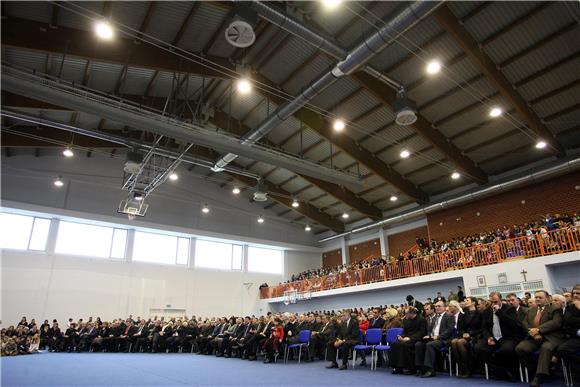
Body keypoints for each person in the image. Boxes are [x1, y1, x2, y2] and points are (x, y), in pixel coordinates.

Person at [516, 290, 564, 387]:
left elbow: (556, 323)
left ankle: (539, 376)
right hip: (534, 337)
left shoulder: (555, 308)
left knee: (545, 348)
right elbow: (525, 323)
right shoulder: (531, 310)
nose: (537, 299)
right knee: (520, 348)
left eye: (540, 297)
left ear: (547, 298)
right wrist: (533, 333)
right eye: (536, 297)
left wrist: (538, 330)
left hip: (550, 337)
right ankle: (535, 370)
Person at [474, 292, 522, 381]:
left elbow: (513, 324)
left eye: (495, 302)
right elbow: (484, 327)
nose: (493, 304)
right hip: (493, 337)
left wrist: (499, 312)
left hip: (507, 337)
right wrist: (488, 337)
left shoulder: (509, 309)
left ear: (500, 300)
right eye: (491, 302)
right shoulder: (487, 311)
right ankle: (500, 371)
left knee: (506, 350)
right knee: (479, 348)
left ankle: (512, 372)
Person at [415, 301, 456, 377]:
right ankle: (421, 368)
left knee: (430, 345)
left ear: (444, 307)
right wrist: (428, 335)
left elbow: (449, 330)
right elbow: (430, 330)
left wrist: (438, 337)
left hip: (443, 339)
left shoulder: (449, 316)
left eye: (439, 306)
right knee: (419, 344)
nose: (437, 308)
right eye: (436, 306)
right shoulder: (435, 317)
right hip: (432, 338)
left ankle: (430, 370)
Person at [389, 307, 427, 375]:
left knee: (404, 345)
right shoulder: (406, 320)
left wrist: (410, 338)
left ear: (412, 313)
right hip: (407, 339)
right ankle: (397, 368)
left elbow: (422, 332)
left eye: (406, 313)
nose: (404, 314)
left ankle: (411, 368)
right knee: (394, 344)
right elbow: (405, 331)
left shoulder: (421, 320)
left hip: (416, 339)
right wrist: (401, 337)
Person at [452, 297, 482, 378]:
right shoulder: (463, 314)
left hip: (475, 336)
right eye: (464, 301)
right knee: (454, 342)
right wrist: (463, 333)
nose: (465, 302)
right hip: (464, 335)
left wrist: (470, 334)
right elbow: (460, 328)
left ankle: (468, 369)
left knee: (460, 342)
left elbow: (482, 328)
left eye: (467, 301)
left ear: (473, 303)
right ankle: (462, 367)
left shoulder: (480, 313)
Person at [558, 284, 580, 377]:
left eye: (578, 293)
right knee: (562, 349)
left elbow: (572, 321)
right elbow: (568, 322)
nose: (575, 295)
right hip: (577, 336)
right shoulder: (569, 307)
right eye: (573, 293)